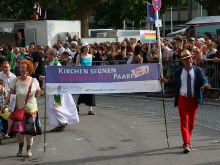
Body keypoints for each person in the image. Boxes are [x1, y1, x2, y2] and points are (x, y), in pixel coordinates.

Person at [160, 50, 211, 154]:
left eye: (189, 58)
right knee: (184, 122)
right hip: (182, 98)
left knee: (191, 124)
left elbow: (203, 79)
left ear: (191, 58)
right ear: (182, 61)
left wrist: (205, 84)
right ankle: (186, 143)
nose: (188, 61)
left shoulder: (198, 70)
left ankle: (188, 139)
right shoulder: (179, 71)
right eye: (185, 59)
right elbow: (175, 84)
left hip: (193, 99)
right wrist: (166, 82)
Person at [1, 60, 43, 157]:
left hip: (31, 110)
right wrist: (4, 104)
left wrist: (42, 89)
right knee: (19, 133)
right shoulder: (15, 80)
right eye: (20, 67)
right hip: (18, 111)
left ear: (28, 69)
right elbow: (10, 94)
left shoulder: (34, 81)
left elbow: (38, 93)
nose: (21, 69)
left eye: (23, 67)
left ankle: (29, 150)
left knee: (29, 132)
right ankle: (20, 148)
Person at [41, 48, 79, 132]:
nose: (46, 55)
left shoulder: (56, 65)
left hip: (56, 91)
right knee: (54, 106)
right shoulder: (52, 63)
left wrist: (47, 83)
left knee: (54, 107)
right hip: (53, 89)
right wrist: (44, 77)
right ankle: (60, 124)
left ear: (53, 55)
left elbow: (57, 79)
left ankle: (64, 121)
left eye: (48, 54)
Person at [75, 42, 96, 115]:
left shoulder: (90, 56)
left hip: (90, 76)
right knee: (83, 91)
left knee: (91, 91)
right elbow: (76, 65)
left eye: (88, 47)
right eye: (86, 47)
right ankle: (77, 105)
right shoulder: (79, 55)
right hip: (83, 76)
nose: (87, 48)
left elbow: (91, 65)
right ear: (83, 48)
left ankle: (90, 109)